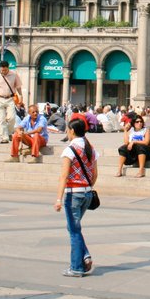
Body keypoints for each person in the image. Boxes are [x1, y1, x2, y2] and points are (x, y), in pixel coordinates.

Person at [54, 118, 97, 277]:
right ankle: (85, 255)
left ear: (72, 131)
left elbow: (63, 176)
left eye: (67, 130)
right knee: (74, 228)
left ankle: (76, 267)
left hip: (73, 194)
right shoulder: (90, 148)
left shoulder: (69, 150)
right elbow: (95, 174)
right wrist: (87, 186)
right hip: (87, 193)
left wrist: (58, 199)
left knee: (74, 231)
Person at [0, 60, 22, 144]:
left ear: (8, 68)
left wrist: (21, 96)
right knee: (1, 119)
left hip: (10, 98)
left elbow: (18, 87)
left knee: (12, 118)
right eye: (2, 70)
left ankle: (9, 132)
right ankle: (4, 137)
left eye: (5, 70)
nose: (3, 72)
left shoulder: (14, 74)